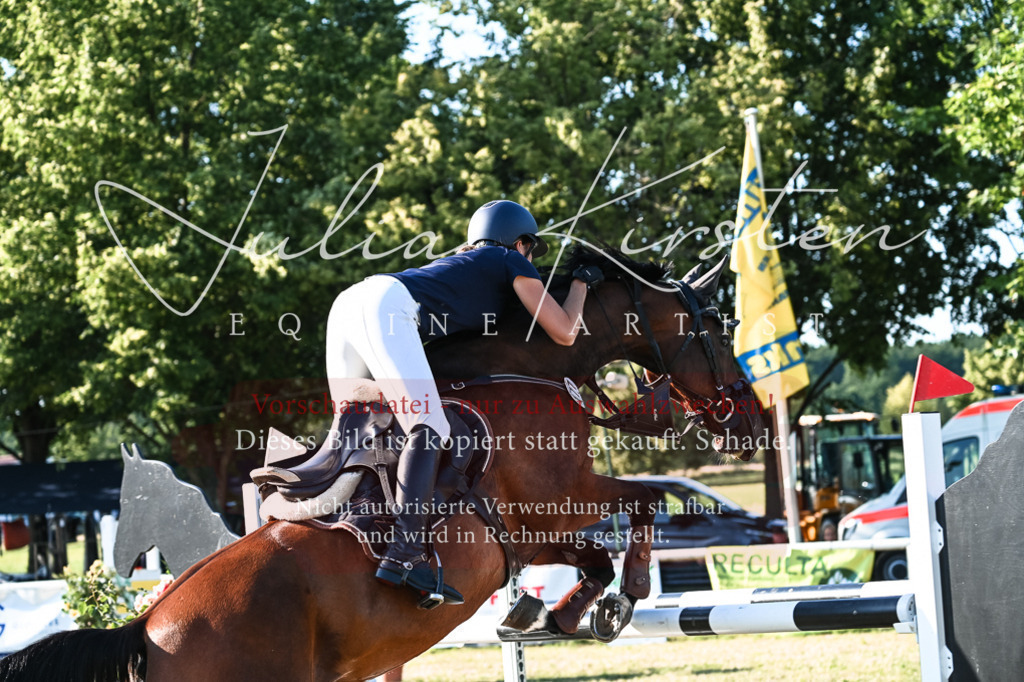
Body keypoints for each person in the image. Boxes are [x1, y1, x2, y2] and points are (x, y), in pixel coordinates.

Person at [322, 199, 602, 607]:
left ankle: (343, 527)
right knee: (429, 426)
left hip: (348, 303)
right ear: (520, 242)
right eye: (529, 248)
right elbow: (564, 332)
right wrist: (581, 284)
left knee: (359, 428)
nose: (529, 258)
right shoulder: (509, 259)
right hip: (385, 306)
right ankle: (405, 553)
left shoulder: (467, 267)